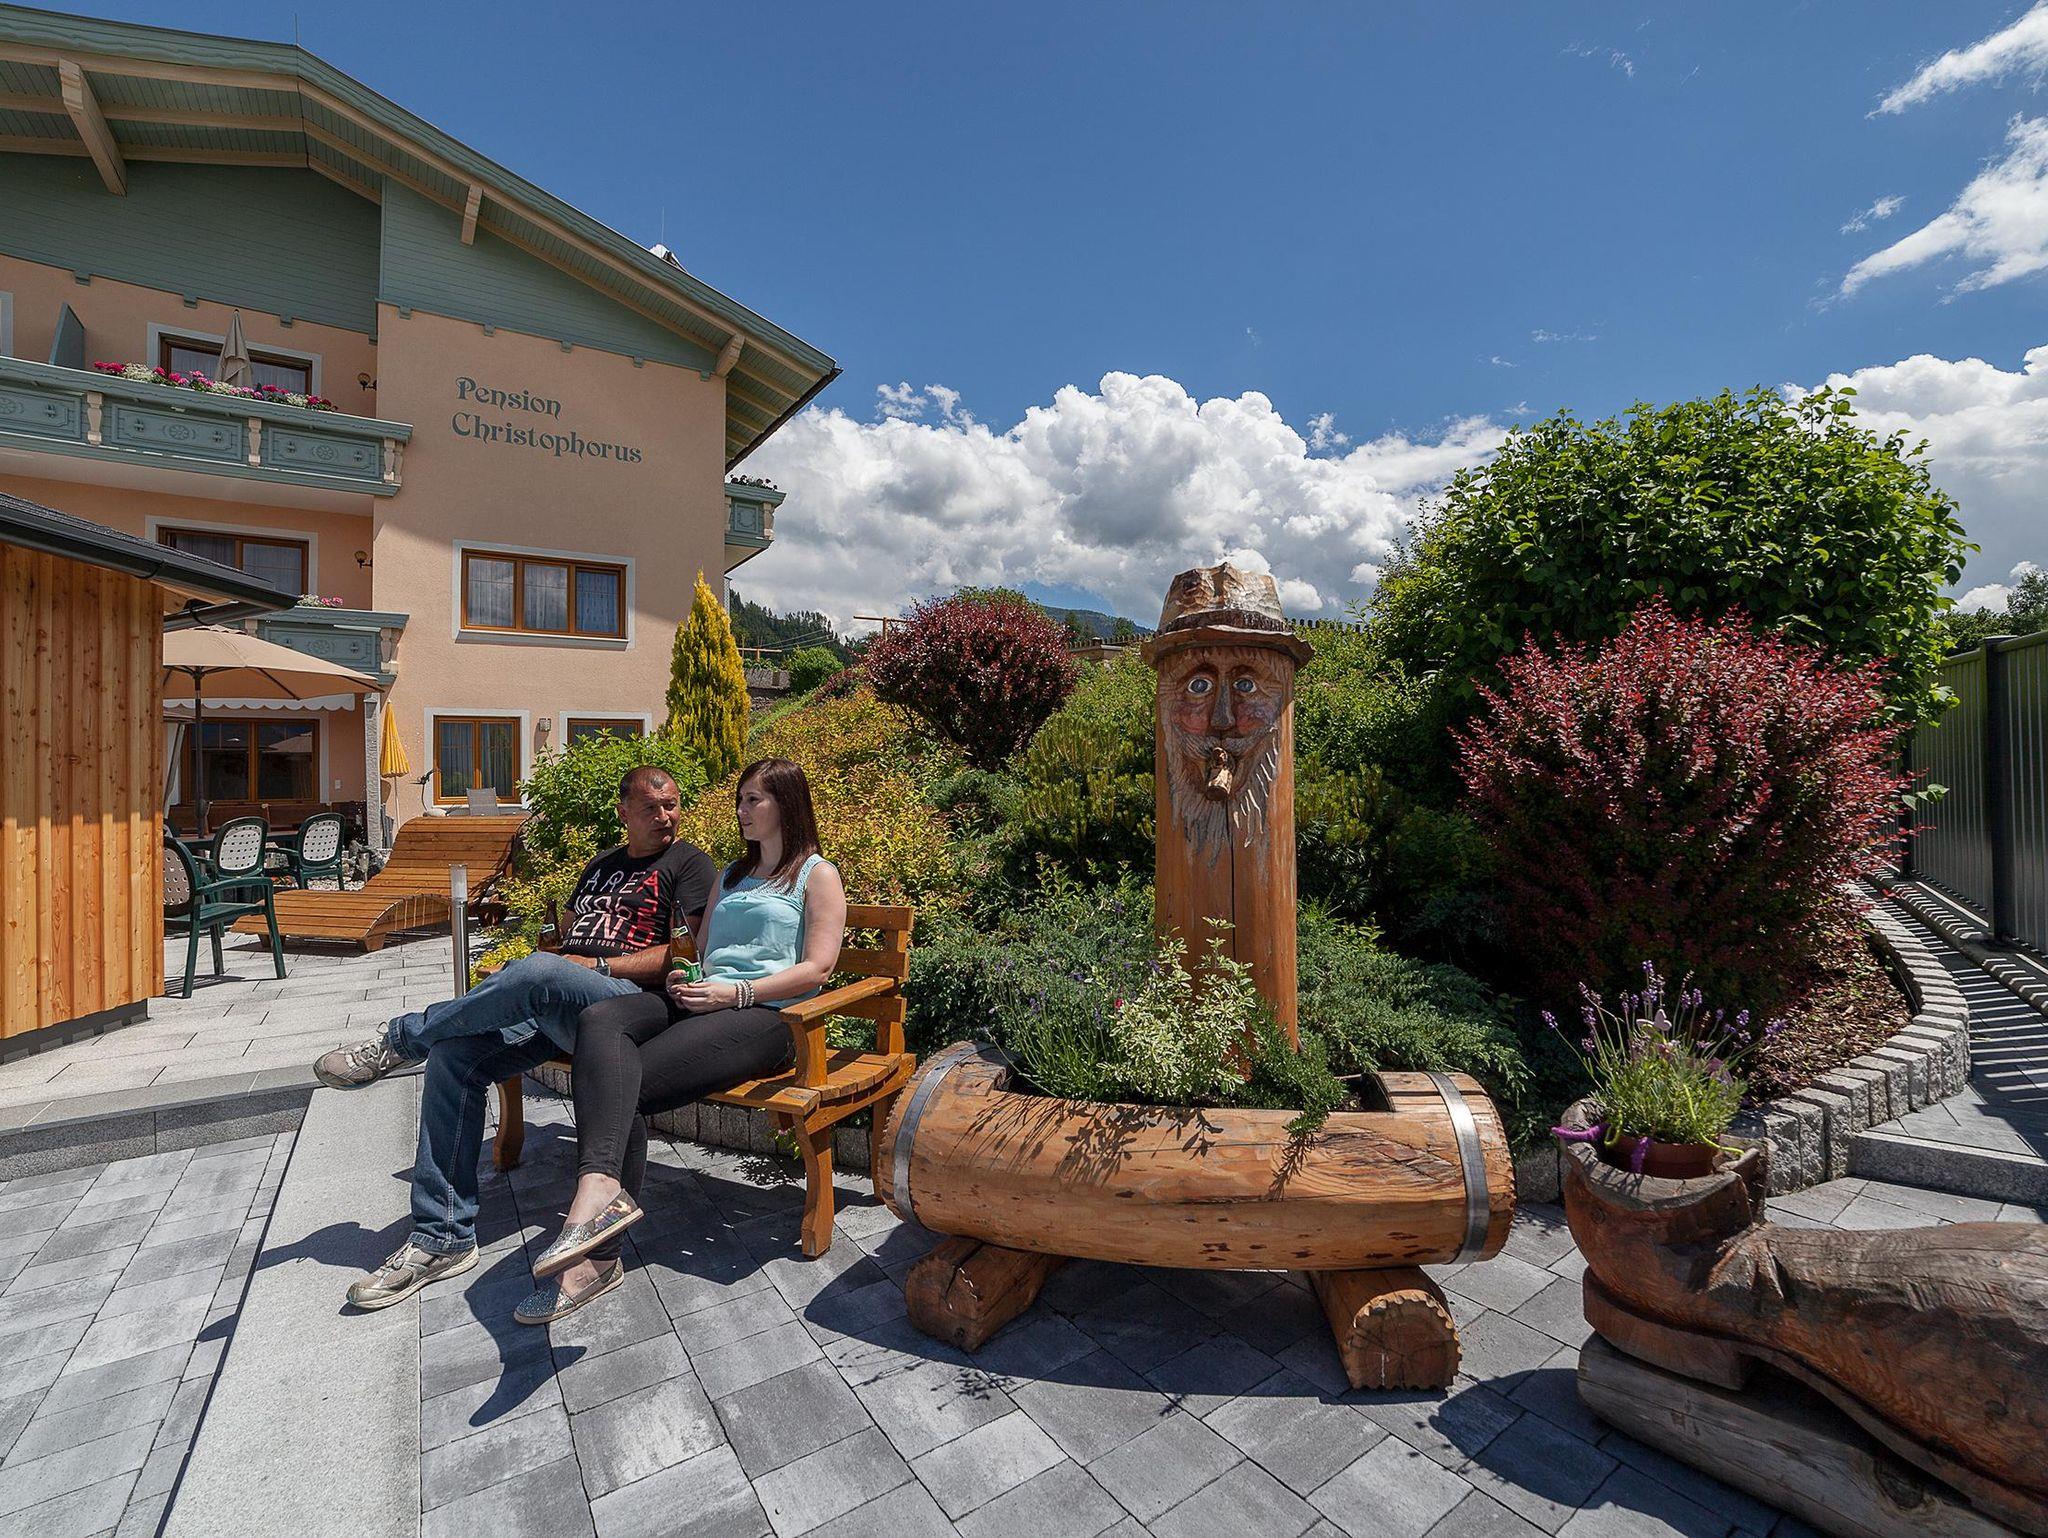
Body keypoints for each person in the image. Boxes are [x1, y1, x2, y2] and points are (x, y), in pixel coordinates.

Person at [319, 765, 716, 1311]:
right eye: (652, 807)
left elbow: (687, 951)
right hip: (564, 1005)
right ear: (624, 812)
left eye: (671, 805)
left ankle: (404, 1039)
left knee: (537, 971)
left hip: (625, 1006)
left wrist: (589, 965)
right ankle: (443, 1237)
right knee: (454, 1057)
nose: (666, 816)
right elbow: (568, 933)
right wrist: (555, 961)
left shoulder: (689, 863)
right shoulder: (600, 866)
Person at [515, 757, 845, 1324]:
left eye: (754, 800)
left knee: (624, 1082)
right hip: (702, 998)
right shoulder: (732, 875)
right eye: (740, 799)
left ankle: (598, 1256)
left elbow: (818, 968)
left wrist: (735, 992)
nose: (741, 810)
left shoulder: (817, 875)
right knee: (601, 1022)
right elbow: (703, 950)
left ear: (787, 804)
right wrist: (684, 978)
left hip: (766, 1018)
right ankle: (599, 1190)